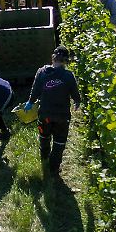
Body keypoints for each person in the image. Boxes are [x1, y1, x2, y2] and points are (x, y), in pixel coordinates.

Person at [24, 46, 81, 175]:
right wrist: (77, 102)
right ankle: (54, 168)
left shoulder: (41, 72)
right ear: (65, 61)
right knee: (59, 142)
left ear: (52, 58)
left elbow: (35, 91)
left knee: (44, 136)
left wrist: (30, 102)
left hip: (45, 115)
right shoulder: (68, 76)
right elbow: (75, 94)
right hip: (62, 117)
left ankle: (44, 158)